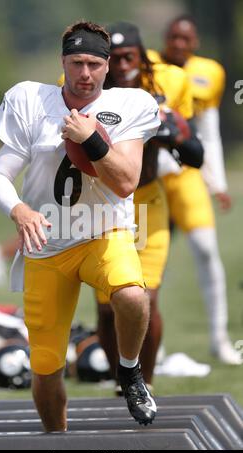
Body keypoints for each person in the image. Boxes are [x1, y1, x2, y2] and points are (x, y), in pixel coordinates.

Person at [0, 21, 161, 431]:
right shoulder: (30, 100)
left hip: (104, 232)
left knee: (134, 297)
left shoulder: (131, 104)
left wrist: (91, 138)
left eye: (94, 64)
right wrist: (19, 211)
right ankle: (56, 442)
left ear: (107, 66)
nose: (85, 73)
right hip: (47, 243)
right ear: (63, 63)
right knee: (46, 371)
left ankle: (131, 372)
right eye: (76, 62)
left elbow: (126, 181)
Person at [95, 21, 204, 389]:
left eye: (130, 57)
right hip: (104, 203)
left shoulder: (169, 82)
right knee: (108, 305)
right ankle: (119, 382)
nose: (123, 66)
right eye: (116, 59)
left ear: (142, 57)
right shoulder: (89, 86)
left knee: (145, 299)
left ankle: (147, 383)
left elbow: (194, 152)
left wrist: (169, 130)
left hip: (147, 201)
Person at [147, 15, 242, 365]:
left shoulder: (210, 72)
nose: (179, 44)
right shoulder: (149, 66)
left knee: (205, 249)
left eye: (185, 38)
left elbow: (209, 130)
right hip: (152, 175)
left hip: (187, 173)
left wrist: (216, 182)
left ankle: (219, 338)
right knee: (154, 260)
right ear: (165, 38)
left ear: (196, 41)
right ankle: (153, 346)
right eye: (173, 37)